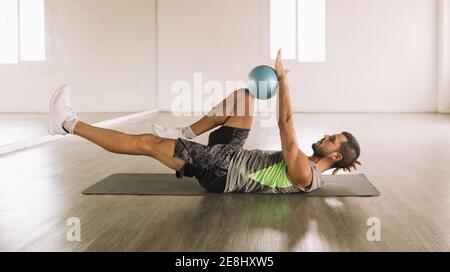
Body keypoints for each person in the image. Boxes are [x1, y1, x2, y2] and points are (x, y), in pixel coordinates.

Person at [48, 49, 361, 194]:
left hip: (221, 172)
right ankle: (183, 132)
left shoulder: (305, 174)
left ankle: (67, 122)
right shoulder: (310, 163)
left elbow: (286, 125)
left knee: (147, 142)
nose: (325, 137)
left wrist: (283, 81)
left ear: (334, 156)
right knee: (243, 97)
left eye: (331, 140)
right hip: (234, 155)